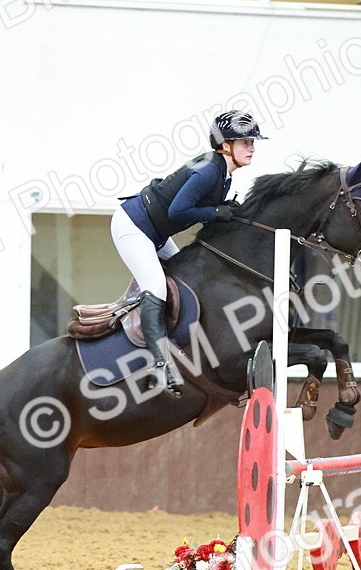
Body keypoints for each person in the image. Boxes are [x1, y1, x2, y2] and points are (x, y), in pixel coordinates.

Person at [113, 110, 266, 396]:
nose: (252, 147)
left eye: (252, 142)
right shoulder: (210, 170)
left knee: (184, 277)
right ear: (225, 146)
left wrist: (226, 213)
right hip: (134, 227)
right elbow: (178, 211)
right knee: (156, 286)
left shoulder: (224, 174)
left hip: (155, 233)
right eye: (245, 142)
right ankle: (158, 365)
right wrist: (217, 212)